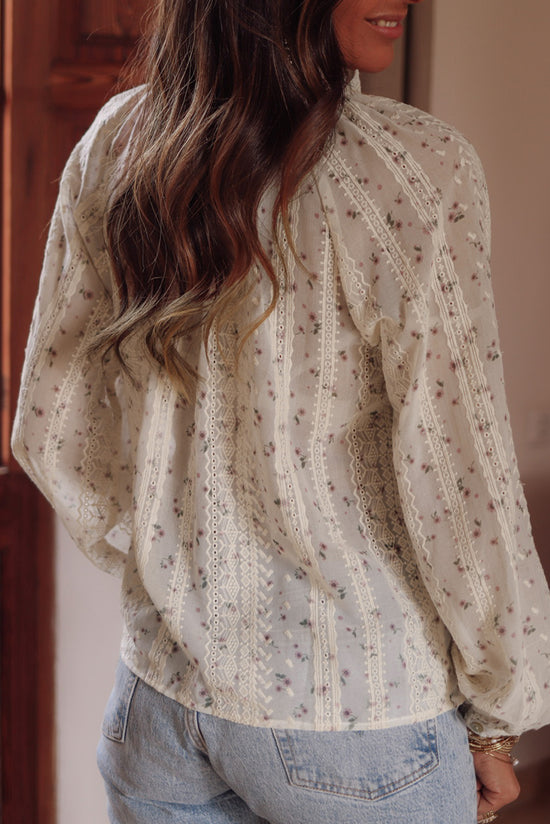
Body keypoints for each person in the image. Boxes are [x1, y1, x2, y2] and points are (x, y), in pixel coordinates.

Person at [11, 1, 550, 822]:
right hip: (362, 721)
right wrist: (501, 719)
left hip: (161, 708)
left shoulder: (119, 143)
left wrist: (169, 565)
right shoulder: (415, 170)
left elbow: (54, 430)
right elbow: (460, 479)